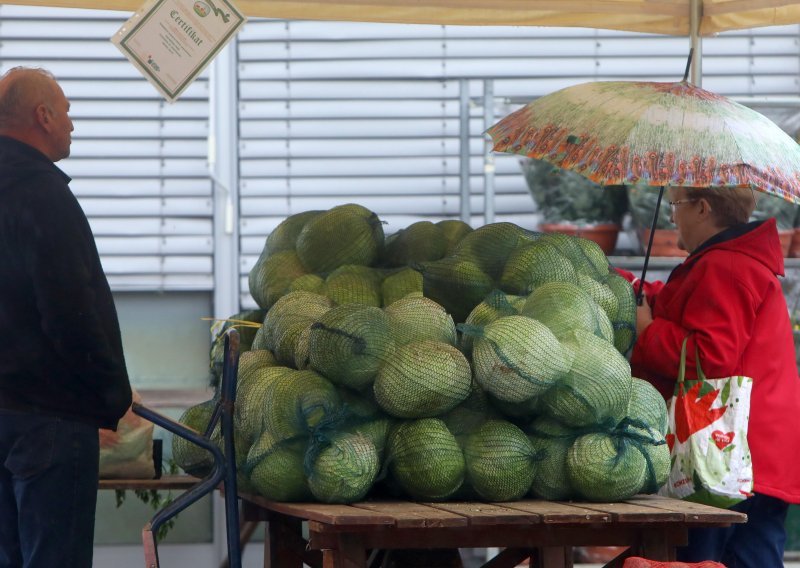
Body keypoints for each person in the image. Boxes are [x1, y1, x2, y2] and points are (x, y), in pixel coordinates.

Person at [619, 185, 800, 566]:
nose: (671, 217)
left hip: (727, 458)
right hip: (754, 454)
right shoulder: (732, 262)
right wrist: (635, 290)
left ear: (702, 208)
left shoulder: (726, 266)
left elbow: (710, 356)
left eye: (676, 205)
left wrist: (648, 331)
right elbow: (687, 308)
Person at [0, 67, 132, 567]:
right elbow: (70, 312)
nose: (72, 126)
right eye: (68, 113)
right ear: (43, 116)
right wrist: (109, 394)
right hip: (50, 421)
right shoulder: (45, 197)